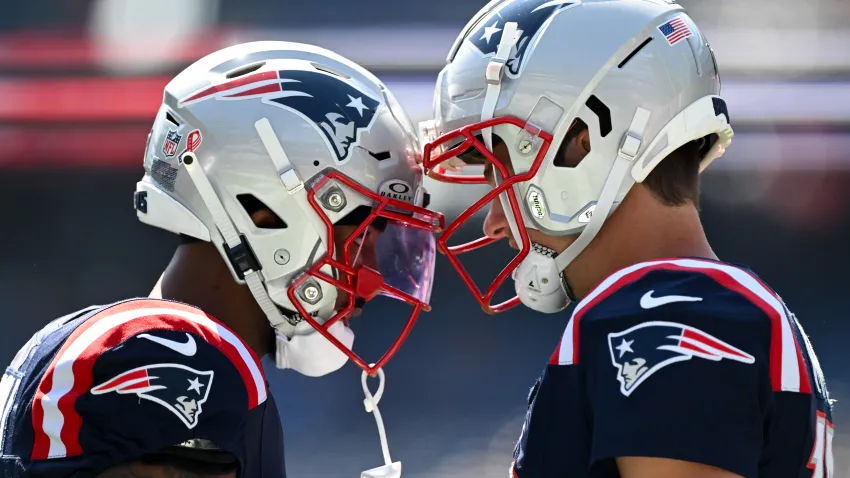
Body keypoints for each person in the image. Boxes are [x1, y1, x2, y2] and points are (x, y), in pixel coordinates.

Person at [418, 1, 833, 477]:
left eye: (502, 173)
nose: (493, 221)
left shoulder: (669, 312)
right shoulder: (709, 306)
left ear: (584, 142)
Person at [0, 41, 442, 477]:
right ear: (264, 211)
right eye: (362, 237)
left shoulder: (78, 340)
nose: (372, 277)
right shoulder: (187, 359)